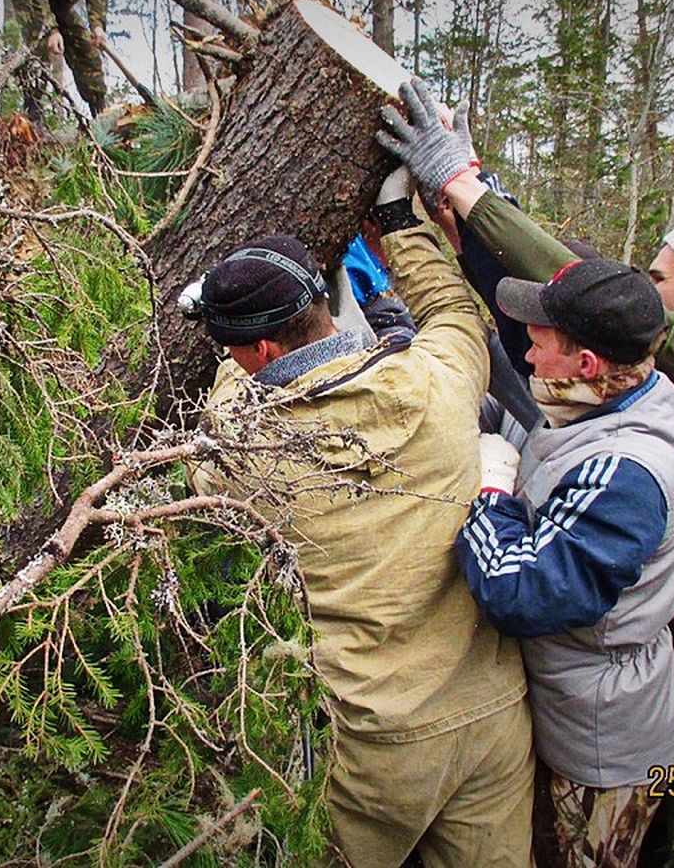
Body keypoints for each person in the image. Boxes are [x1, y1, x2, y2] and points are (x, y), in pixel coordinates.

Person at [375, 78, 674, 868]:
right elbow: (563, 315)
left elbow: (572, 277)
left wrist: (468, 187)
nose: (643, 287)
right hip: (655, 676)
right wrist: (468, 210)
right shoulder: (633, 382)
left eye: (660, 276)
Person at [187, 202, 533, 864]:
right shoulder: (437, 381)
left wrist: (231, 367)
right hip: (490, 716)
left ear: (259, 350)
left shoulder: (248, 449)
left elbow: (210, 454)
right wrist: (401, 226)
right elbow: (456, 315)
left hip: (372, 745)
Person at [451, 256, 674, 868]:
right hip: (581, 702)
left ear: (585, 364)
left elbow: (520, 591)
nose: (526, 359)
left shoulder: (624, 471)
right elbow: (528, 349)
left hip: (600, 745)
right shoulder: (631, 386)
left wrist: (491, 493)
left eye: (538, 346)